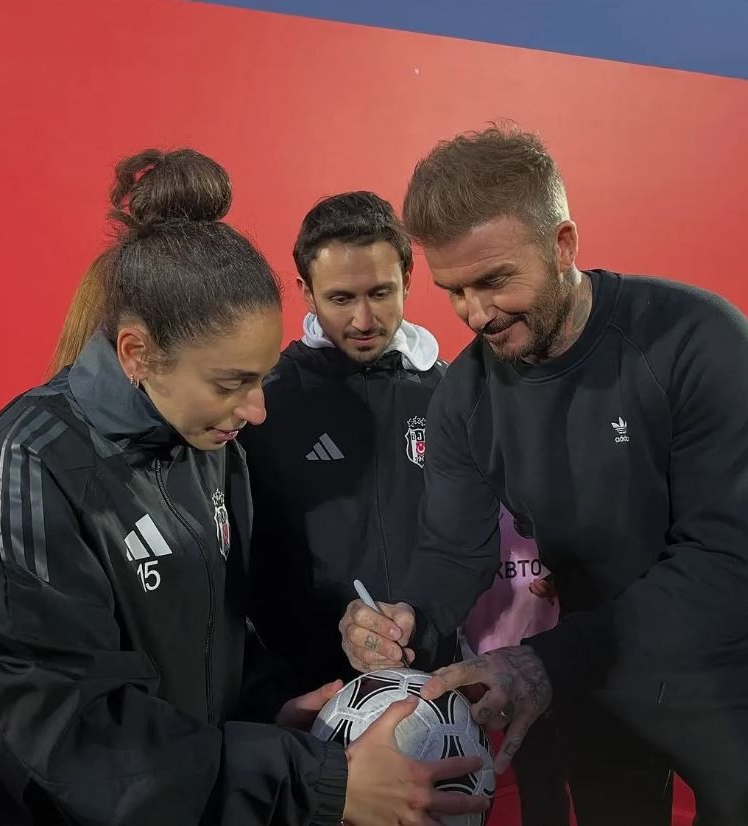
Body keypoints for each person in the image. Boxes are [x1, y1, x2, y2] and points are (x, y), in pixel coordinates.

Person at [0, 148, 490, 826]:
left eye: (260, 376)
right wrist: (318, 782)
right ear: (137, 354)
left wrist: (270, 704)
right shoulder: (31, 465)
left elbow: (215, 637)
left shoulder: (211, 447)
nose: (257, 409)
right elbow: (76, 736)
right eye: (231, 383)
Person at [338, 125, 748, 826]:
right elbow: (452, 550)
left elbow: (727, 560)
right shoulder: (464, 394)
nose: (475, 313)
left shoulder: (695, 340)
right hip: (592, 681)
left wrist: (542, 663)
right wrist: (405, 614)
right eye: (453, 290)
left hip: (725, 670)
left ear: (562, 245)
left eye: (494, 280)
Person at [240, 190, 456, 694]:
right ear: (306, 292)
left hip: (436, 682)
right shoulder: (261, 406)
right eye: (341, 298)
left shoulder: (452, 395)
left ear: (407, 280)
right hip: (309, 693)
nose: (363, 320)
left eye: (380, 293)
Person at [461, 506, 569, 826]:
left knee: (543, 783)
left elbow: (594, 561)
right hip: (478, 674)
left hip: (543, 674)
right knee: (473, 787)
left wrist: (564, 579)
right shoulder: (467, 501)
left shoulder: (547, 499)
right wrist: (464, 657)